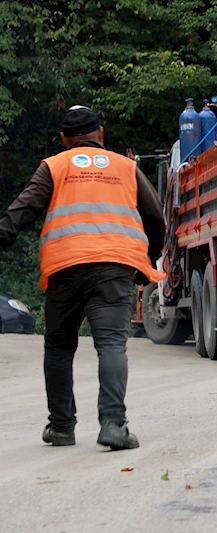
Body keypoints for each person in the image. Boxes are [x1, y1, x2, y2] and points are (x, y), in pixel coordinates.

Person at [0, 105, 166, 450]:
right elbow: (156, 218)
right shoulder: (126, 166)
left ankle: (61, 428)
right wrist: (144, 261)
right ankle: (113, 426)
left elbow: (22, 210)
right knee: (111, 345)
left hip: (65, 267)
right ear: (100, 134)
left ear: (64, 139)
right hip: (115, 267)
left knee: (59, 347)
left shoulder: (54, 166)